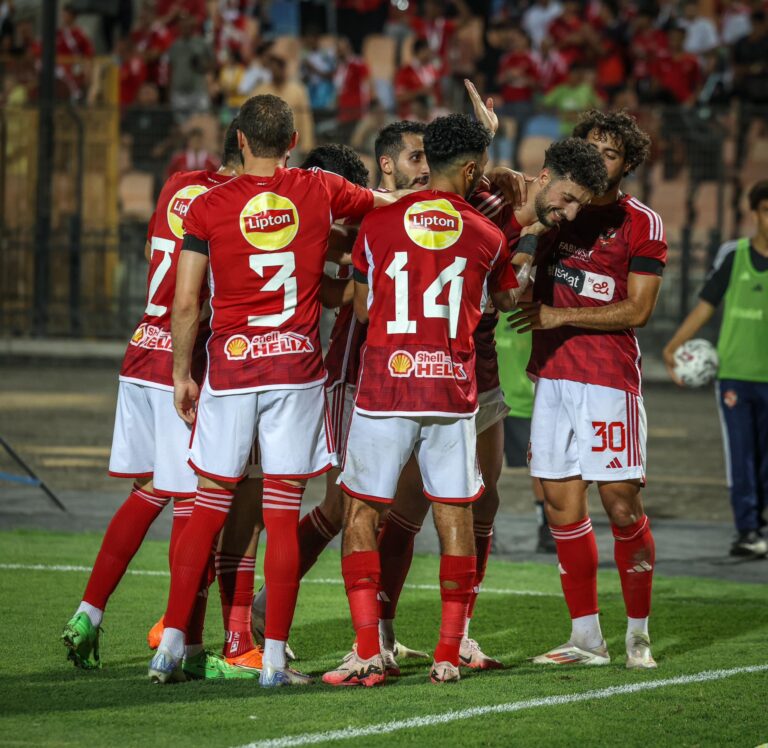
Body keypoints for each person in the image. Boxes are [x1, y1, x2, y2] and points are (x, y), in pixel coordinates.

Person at [150, 94, 404, 687]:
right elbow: (388, 206)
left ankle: (171, 647)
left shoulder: (208, 206)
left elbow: (187, 302)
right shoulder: (318, 188)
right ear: (292, 140)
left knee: (208, 507)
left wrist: (181, 373)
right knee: (281, 516)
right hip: (296, 372)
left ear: (239, 140)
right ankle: (271, 663)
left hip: (232, 371)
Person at [374, 134, 608, 669]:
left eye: (579, 207)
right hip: (429, 371)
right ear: (544, 177)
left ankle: (462, 633)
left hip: (481, 377)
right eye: (567, 198)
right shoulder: (483, 201)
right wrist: (489, 150)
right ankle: (381, 634)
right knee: (408, 506)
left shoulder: (533, 225)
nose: (569, 214)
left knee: (487, 500)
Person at [322, 112, 522, 687]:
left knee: (362, 512)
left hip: (387, 385)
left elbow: (360, 309)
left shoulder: (377, 226)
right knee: (454, 512)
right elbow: (505, 302)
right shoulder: (487, 236)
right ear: (469, 168)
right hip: (452, 391)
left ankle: (368, 651)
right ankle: (446, 652)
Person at [61, 120, 258, 681]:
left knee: (152, 489)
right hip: (183, 359)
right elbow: (203, 292)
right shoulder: (236, 204)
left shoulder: (177, 184)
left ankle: (88, 613)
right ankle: (181, 643)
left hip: (141, 347)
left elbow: (156, 252)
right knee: (199, 501)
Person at [510, 109, 666, 669]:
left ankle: (639, 634)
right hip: (551, 375)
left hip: (606, 378)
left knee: (621, 505)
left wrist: (558, 318)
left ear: (627, 165)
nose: (600, 160)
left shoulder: (641, 222)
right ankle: (586, 639)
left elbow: (640, 308)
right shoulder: (556, 209)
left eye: (612, 153)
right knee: (559, 505)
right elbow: (522, 265)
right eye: (592, 148)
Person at [663, 180, 768, 558]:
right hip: (736, 375)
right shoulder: (734, 256)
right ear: (755, 213)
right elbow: (706, 305)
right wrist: (674, 345)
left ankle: (759, 521)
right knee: (740, 455)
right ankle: (747, 530)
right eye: (767, 211)